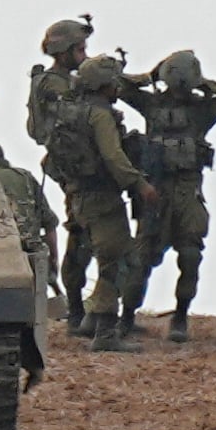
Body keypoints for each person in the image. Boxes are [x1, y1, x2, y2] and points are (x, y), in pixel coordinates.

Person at [125, 49, 216, 343]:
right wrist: (148, 76)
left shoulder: (201, 111)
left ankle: (180, 317)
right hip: (157, 190)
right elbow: (120, 86)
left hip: (188, 190)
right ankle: (126, 316)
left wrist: (204, 84)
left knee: (190, 254)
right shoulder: (151, 104)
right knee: (143, 257)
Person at [44, 56, 151, 347]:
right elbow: (113, 156)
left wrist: (73, 186)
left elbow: (48, 162)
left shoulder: (69, 112)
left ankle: (82, 316)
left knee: (79, 252)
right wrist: (139, 184)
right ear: (105, 84)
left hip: (77, 196)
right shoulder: (100, 115)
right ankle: (104, 333)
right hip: (103, 198)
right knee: (118, 259)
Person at [25, 19, 97, 315]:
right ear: (63, 50)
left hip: (77, 166)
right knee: (86, 236)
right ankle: (79, 311)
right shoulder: (55, 84)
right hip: (76, 169)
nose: (84, 55)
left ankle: (79, 310)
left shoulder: (63, 81)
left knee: (84, 236)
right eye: (79, 49)